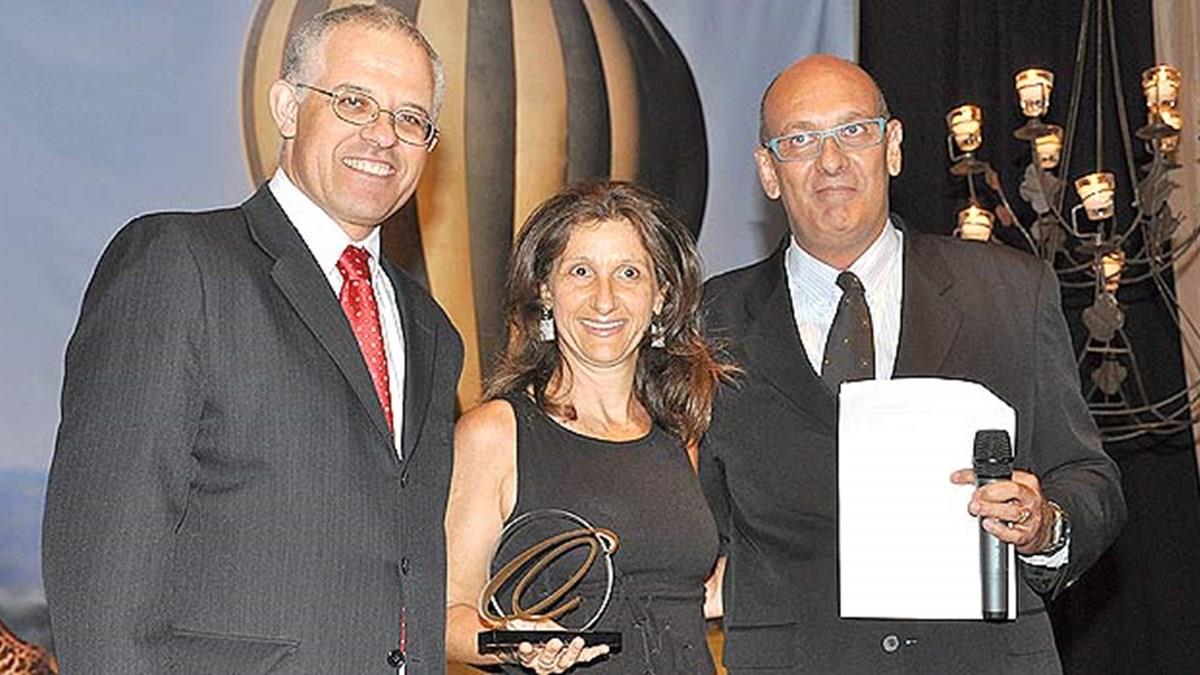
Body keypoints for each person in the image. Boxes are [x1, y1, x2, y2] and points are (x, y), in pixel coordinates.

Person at [42, 5, 461, 673]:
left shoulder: (432, 329)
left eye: (410, 118)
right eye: (354, 102)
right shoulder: (180, 262)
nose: (384, 134)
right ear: (288, 108)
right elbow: (101, 552)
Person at [699, 54, 1127, 673]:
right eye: (800, 140)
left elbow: (1089, 477)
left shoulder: (1011, 292)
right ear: (768, 170)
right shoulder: (708, 321)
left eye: (854, 130)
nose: (831, 160)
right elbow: (683, 516)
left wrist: (1044, 525)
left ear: (892, 146)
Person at [445, 182, 735, 674]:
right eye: (581, 271)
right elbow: (447, 614)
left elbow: (679, 594)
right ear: (545, 290)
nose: (605, 299)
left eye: (629, 273)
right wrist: (513, 643)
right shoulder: (496, 433)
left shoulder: (677, 432)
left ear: (660, 296)